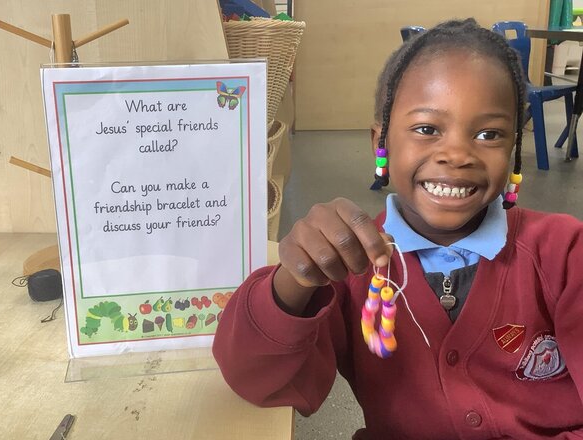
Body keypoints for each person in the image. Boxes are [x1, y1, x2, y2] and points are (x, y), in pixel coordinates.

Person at [212, 18, 583, 439]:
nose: (457, 154)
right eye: (426, 129)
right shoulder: (350, 264)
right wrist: (292, 283)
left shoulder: (565, 253)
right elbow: (255, 378)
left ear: (513, 150)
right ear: (380, 142)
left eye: (488, 133)